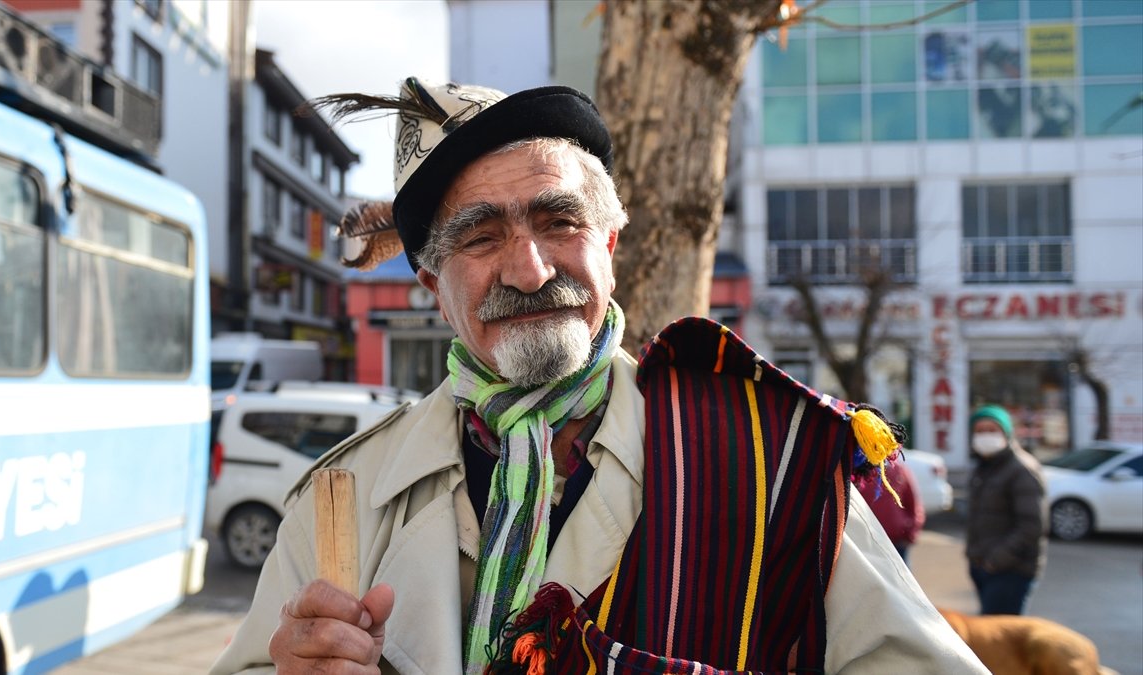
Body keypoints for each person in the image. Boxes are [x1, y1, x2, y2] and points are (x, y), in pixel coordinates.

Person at [210, 77, 986, 674]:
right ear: (432, 288)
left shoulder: (761, 457)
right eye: (479, 238)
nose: (531, 266)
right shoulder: (341, 497)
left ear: (610, 243)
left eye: (559, 221)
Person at [965, 404, 1047, 616]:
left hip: (1011, 570)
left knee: (1000, 642)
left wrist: (996, 560)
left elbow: (1031, 527)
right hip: (984, 566)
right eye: (980, 431)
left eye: (992, 430)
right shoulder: (985, 467)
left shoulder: (1021, 469)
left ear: (1007, 433)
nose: (985, 436)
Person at [856, 455, 925, 564]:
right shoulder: (861, 473)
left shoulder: (900, 471)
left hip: (897, 542)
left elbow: (914, 505)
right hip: (869, 542)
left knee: (901, 578)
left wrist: (910, 533)